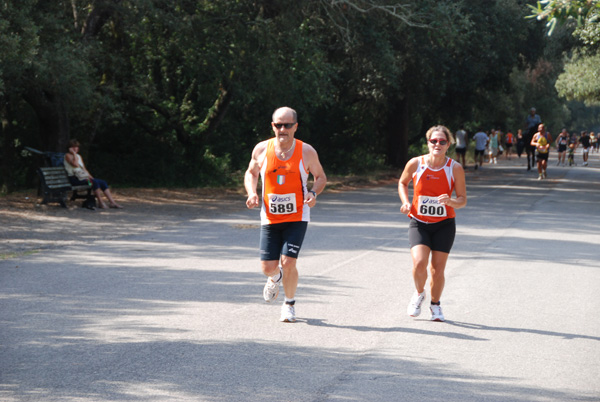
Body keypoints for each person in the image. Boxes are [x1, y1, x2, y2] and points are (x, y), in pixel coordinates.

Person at [244, 106, 327, 323]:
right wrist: (252, 193)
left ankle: (289, 304)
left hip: (297, 216)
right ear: (272, 126)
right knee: (267, 268)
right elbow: (251, 173)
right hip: (270, 217)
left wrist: (312, 192)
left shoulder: (306, 151)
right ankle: (275, 277)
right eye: (278, 125)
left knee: (289, 261)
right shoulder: (261, 149)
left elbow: (320, 177)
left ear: (295, 127)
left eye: (287, 125)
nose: (283, 129)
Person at [398, 125, 467, 322]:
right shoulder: (415, 163)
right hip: (419, 222)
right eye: (434, 141)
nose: (437, 144)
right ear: (428, 143)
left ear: (448, 145)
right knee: (419, 263)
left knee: (437, 270)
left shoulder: (455, 168)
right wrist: (405, 202)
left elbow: (462, 200)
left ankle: (435, 305)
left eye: (442, 141)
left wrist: (451, 202)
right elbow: (403, 182)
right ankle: (419, 293)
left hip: (444, 224)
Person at [64, 139, 123, 209]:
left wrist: (91, 177)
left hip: (84, 178)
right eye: (73, 147)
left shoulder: (79, 156)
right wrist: (74, 154)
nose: (75, 148)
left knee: (101, 182)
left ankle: (112, 202)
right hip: (75, 180)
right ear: (69, 148)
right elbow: (75, 164)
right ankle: (101, 203)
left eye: (76, 147)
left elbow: (84, 169)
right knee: (94, 182)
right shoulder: (67, 155)